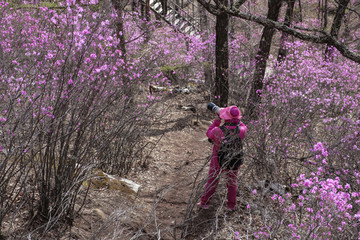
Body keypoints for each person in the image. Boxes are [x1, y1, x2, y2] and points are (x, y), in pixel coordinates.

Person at [198, 105, 247, 211]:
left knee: (213, 179)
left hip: (218, 158)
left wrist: (217, 120)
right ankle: (231, 205)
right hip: (234, 159)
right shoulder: (242, 130)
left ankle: (205, 202)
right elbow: (242, 124)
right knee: (232, 182)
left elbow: (209, 133)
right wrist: (236, 120)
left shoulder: (218, 131)